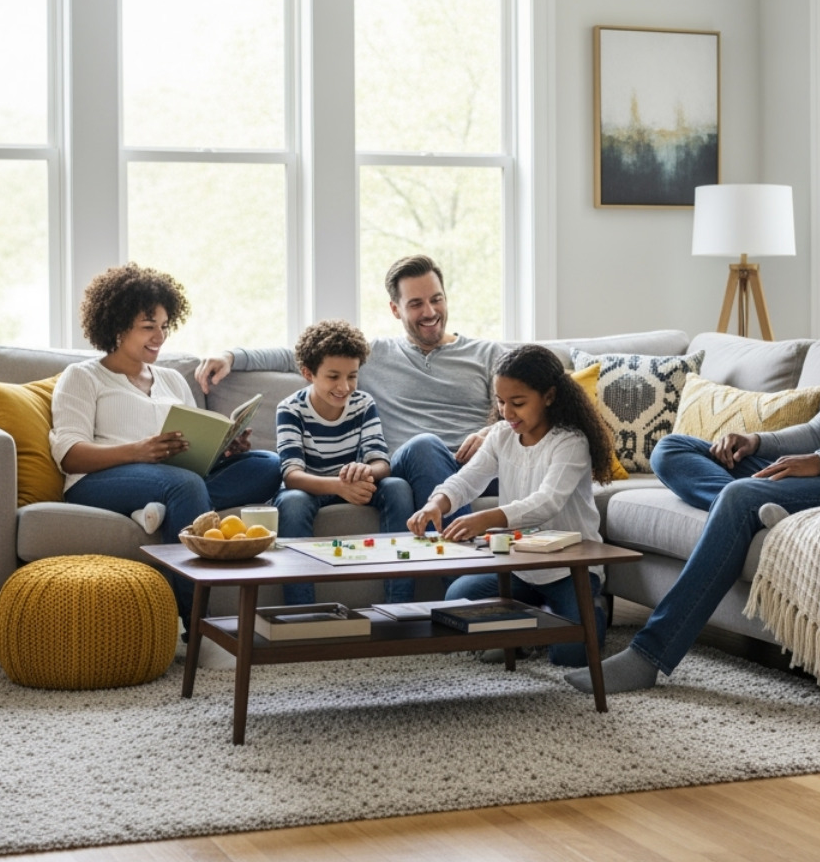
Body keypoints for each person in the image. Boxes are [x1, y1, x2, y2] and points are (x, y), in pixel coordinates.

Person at [566, 242, 820, 695]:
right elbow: (818, 431)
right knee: (672, 449)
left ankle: (649, 656)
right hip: (815, 468)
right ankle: (763, 510)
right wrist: (755, 441)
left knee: (739, 496)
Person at [196, 254, 502, 598]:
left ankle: (471, 593)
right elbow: (297, 355)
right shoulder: (374, 354)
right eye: (416, 303)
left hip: (476, 465)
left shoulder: (487, 353)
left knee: (430, 449)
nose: (429, 312)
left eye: (436, 299)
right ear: (395, 309)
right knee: (424, 446)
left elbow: (532, 396)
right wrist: (233, 356)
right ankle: (472, 593)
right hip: (412, 462)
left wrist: (492, 431)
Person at [50, 264, 282, 618]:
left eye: (164, 326)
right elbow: (70, 456)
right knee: (185, 485)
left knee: (269, 464)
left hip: (173, 478)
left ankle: (162, 511)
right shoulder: (83, 377)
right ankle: (196, 623)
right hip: (98, 481)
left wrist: (224, 447)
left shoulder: (172, 379)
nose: (159, 337)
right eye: (148, 327)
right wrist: (137, 451)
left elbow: (192, 442)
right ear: (115, 325)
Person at [407, 344, 617, 666]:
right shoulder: (501, 436)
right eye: (501, 402)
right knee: (455, 599)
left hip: (569, 571)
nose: (507, 413)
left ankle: (580, 610)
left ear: (549, 396)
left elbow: (547, 502)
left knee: (571, 656)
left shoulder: (570, 442)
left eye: (518, 403)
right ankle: (534, 624)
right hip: (520, 569)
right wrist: (436, 504)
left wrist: (488, 518)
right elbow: (467, 479)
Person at [273, 319, 413, 605]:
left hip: (353, 484)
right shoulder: (290, 409)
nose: (344, 386)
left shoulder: (363, 404)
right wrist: (338, 486)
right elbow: (292, 475)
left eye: (352, 376)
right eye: (333, 377)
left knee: (397, 486)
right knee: (292, 502)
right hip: (314, 487)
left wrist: (367, 470)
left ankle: (400, 604)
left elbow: (381, 463)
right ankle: (302, 611)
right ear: (308, 373)